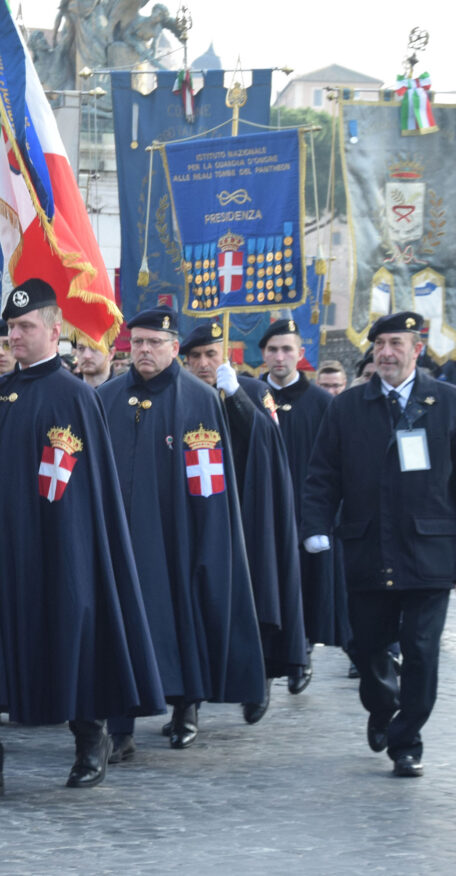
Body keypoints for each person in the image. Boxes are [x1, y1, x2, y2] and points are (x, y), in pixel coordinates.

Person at [0, 280, 164, 801]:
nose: (14, 337)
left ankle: (90, 740)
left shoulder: (77, 396)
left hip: (60, 545)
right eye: (10, 329)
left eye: (25, 327)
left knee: (71, 645)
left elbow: (89, 486)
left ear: (55, 330)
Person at [98, 306, 264, 750]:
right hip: (122, 536)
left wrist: (205, 534)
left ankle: (186, 704)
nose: (144, 350)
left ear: (174, 348)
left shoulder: (199, 400)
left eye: (154, 343)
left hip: (176, 534)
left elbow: (208, 477)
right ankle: (120, 729)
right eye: (137, 343)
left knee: (181, 620)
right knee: (121, 629)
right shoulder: (107, 397)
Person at [303, 311, 456, 778]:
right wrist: (316, 525)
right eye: (380, 344)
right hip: (367, 545)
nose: (386, 352)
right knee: (367, 643)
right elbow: (322, 475)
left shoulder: (447, 402)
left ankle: (407, 740)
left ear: (417, 347)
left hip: (429, 550)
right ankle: (381, 705)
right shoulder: (348, 406)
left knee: (422, 648)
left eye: (396, 343)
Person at [180, 322, 307, 723]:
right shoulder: (180, 397)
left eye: (210, 355)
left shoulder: (252, 391)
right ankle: (188, 705)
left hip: (246, 514)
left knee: (252, 603)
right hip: (195, 512)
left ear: (227, 355)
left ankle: (258, 682)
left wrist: (236, 396)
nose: (203, 364)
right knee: (193, 608)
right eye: (195, 357)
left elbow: (270, 445)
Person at [259, 319, 347, 692]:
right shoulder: (249, 397)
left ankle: (303, 652)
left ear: (300, 353)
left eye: (287, 349)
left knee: (307, 587)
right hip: (261, 514)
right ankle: (259, 672)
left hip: (307, 514)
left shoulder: (323, 404)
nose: (279, 357)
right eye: (273, 350)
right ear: (262, 354)